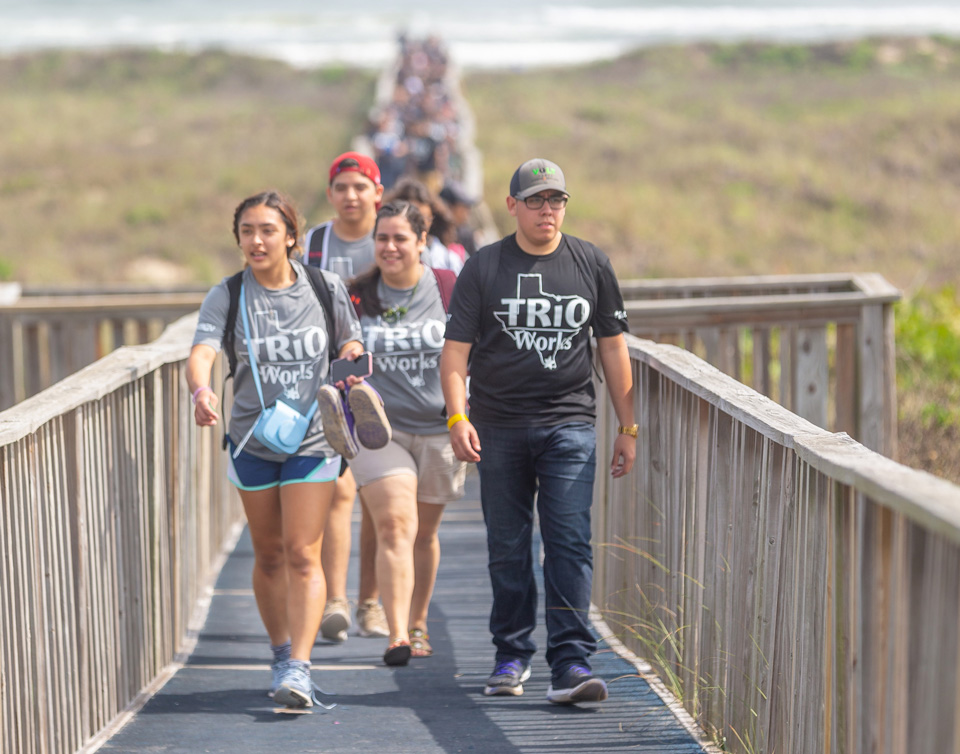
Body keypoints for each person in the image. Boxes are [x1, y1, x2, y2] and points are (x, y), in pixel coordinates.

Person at [440, 158, 637, 705]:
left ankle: (571, 662)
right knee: (507, 547)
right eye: (535, 201)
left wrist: (629, 426)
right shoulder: (484, 267)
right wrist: (458, 417)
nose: (547, 210)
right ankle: (511, 655)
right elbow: (455, 354)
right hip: (497, 425)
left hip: (569, 423)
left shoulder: (590, 263)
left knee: (568, 542)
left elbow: (613, 348)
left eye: (556, 201)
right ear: (512, 206)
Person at [187, 190, 364, 708]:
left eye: (267, 230)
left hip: (314, 435)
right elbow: (201, 352)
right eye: (246, 231)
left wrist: (354, 357)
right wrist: (201, 389)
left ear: (291, 236)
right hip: (251, 437)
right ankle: (281, 649)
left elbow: (348, 342)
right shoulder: (229, 294)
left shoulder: (323, 285)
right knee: (267, 555)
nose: (257, 240)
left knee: (302, 551)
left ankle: (300, 668)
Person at [345, 201, 466, 666]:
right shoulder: (355, 295)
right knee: (396, 524)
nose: (390, 247)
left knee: (423, 534)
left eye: (400, 238)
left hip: (439, 426)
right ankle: (396, 633)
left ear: (421, 243)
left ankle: (418, 623)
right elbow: (337, 351)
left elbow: (473, 349)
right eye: (382, 238)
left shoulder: (448, 287)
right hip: (380, 430)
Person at [303, 152, 390, 643]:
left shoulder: (390, 236)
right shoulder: (315, 242)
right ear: (331, 193)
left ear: (377, 192)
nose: (351, 196)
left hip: (385, 380)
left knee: (375, 491)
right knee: (337, 491)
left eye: (361, 186)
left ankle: (371, 603)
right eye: (342, 187)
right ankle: (335, 600)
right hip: (331, 380)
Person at [384, 176, 463, 274]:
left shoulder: (448, 260)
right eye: (412, 218)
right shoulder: (384, 254)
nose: (419, 224)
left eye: (424, 218)